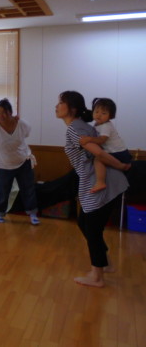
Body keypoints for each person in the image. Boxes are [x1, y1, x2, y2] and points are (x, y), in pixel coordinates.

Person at [56, 91, 130, 287]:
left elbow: (99, 154)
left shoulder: (75, 129)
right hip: (98, 180)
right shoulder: (81, 126)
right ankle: (105, 263)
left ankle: (97, 276)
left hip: (103, 183)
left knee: (92, 228)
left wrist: (121, 166)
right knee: (84, 222)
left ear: (72, 108)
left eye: (61, 102)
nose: (56, 106)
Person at [0, 98, 40, 225]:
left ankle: (32, 214)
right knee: (3, 190)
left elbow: (26, 135)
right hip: (4, 165)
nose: (1, 115)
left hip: (23, 161)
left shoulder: (21, 124)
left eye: (4, 112)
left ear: (10, 112)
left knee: (28, 189)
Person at [80, 98, 132, 193]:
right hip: (115, 152)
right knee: (97, 157)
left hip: (119, 153)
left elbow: (101, 140)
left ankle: (101, 182)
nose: (99, 115)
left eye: (103, 113)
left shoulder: (106, 126)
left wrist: (89, 139)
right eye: (96, 112)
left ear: (110, 116)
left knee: (98, 159)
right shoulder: (97, 124)